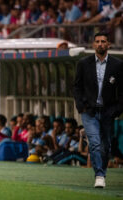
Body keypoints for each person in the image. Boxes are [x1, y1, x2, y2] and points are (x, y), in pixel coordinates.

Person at [73, 31, 123, 188]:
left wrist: (117, 109)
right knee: (94, 142)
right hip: (89, 111)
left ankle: (103, 172)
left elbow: (122, 90)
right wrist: (80, 105)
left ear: (109, 44)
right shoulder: (83, 63)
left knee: (106, 145)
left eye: (103, 41)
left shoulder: (117, 64)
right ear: (93, 44)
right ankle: (99, 175)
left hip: (108, 110)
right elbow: (76, 86)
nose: (100, 44)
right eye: (97, 41)